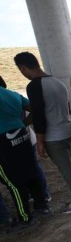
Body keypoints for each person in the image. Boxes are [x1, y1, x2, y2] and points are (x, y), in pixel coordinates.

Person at [14, 52, 71, 214]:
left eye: (21, 70)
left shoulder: (34, 85)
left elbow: (39, 115)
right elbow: (66, 108)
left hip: (53, 136)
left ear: (23, 67)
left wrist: (40, 142)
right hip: (67, 130)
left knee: (66, 168)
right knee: (69, 166)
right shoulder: (56, 81)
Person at [0, 86, 48, 232]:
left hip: (2, 141)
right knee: (30, 171)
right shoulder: (10, 93)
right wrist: (23, 123)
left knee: (13, 182)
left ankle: (25, 218)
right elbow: (34, 108)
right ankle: (42, 207)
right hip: (21, 134)